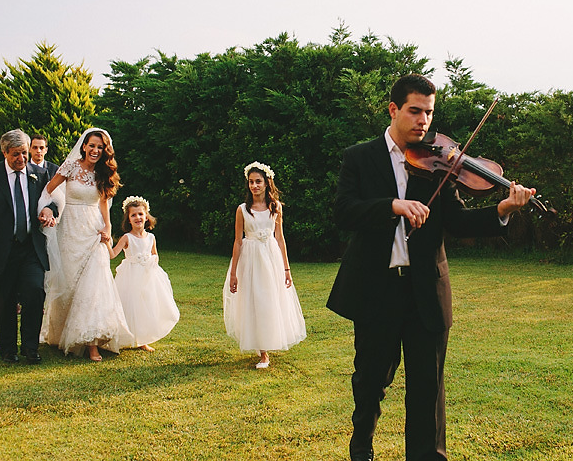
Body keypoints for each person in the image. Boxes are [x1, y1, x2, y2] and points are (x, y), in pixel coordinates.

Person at [327, 74, 536, 461]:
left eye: (429, 112)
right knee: (370, 380)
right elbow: (344, 211)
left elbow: (455, 221)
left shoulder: (440, 161)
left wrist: (502, 209)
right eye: (415, 111)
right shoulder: (360, 156)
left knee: (427, 389)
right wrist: (392, 205)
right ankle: (362, 447)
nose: (423, 120)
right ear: (393, 109)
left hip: (426, 289)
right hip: (377, 288)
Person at [39, 127, 133, 361]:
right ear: (83, 146)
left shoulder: (103, 172)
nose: (95, 150)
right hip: (70, 229)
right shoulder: (70, 167)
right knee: (70, 283)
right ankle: (62, 333)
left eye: (100, 147)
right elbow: (49, 190)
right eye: (92, 145)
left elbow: (103, 204)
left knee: (96, 283)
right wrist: (48, 212)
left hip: (93, 230)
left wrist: (108, 228)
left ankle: (93, 341)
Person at [0, 129, 58, 364]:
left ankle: (31, 347)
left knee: (34, 292)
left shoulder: (40, 174)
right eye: (16, 154)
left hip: (30, 248)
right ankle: (8, 349)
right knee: (3, 300)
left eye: (25, 153)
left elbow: (54, 201)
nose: (21, 159)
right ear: (4, 152)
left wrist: (50, 210)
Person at [223, 162, 306, 369]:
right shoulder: (242, 210)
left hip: (271, 259)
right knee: (254, 300)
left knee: (269, 299)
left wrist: (286, 269)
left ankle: (267, 344)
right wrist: (233, 273)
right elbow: (238, 241)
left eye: (258, 181)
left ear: (267, 183)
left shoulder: (275, 207)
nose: (254, 186)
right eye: (251, 182)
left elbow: (280, 238)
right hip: (250, 260)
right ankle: (262, 352)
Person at [108, 195, 180, 352]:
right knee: (131, 306)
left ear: (146, 216)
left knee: (145, 306)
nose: (137, 218)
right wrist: (106, 242)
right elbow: (113, 254)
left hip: (148, 276)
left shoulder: (151, 237)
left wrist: (152, 262)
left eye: (140, 214)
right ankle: (125, 336)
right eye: (133, 215)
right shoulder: (127, 238)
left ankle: (142, 339)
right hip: (131, 276)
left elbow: (155, 254)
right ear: (128, 219)